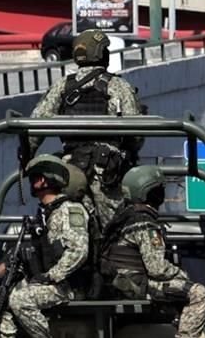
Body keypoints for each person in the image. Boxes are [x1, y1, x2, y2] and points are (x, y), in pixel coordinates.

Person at [0, 155, 90, 338]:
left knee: (21, 299)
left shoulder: (70, 210)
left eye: (37, 178)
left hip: (67, 284)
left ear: (48, 179)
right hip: (46, 281)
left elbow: (79, 251)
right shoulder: (44, 214)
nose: (33, 183)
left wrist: (51, 276)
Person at [99, 165, 205, 338]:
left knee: (181, 294)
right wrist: (182, 275)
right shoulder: (144, 222)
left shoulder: (123, 217)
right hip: (136, 285)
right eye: (159, 188)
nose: (162, 193)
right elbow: (157, 268)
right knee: (199, 294)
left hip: (122, 284)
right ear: (148, 191)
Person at [29, 28, 143, 232]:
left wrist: (27, 156)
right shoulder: (118, 86)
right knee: (117, 232)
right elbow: (136, 135)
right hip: (108, 172)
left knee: (69, 228)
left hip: (71, 169)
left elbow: (36, 124)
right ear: (100, 54)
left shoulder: (62, 86)